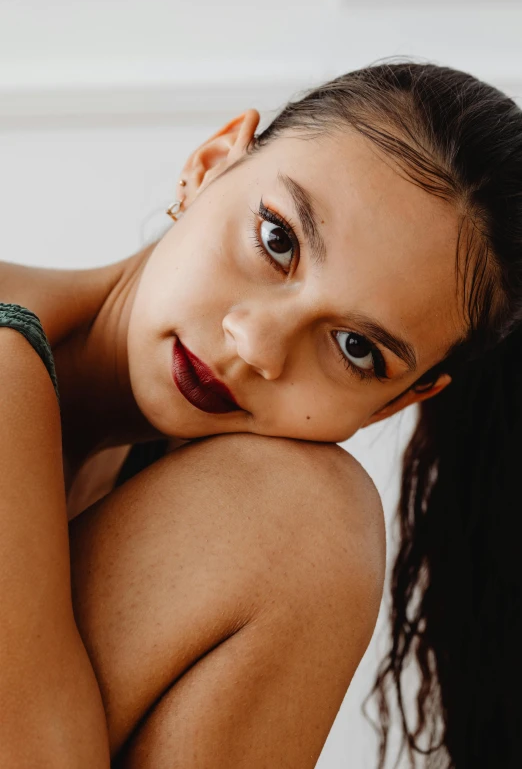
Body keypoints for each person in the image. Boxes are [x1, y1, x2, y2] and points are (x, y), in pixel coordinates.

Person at [0, 58, 520, 768]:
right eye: (278, 239)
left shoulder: (207, 502)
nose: (257, 345)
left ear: (397, 401)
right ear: (210, 164)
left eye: (355, 348)